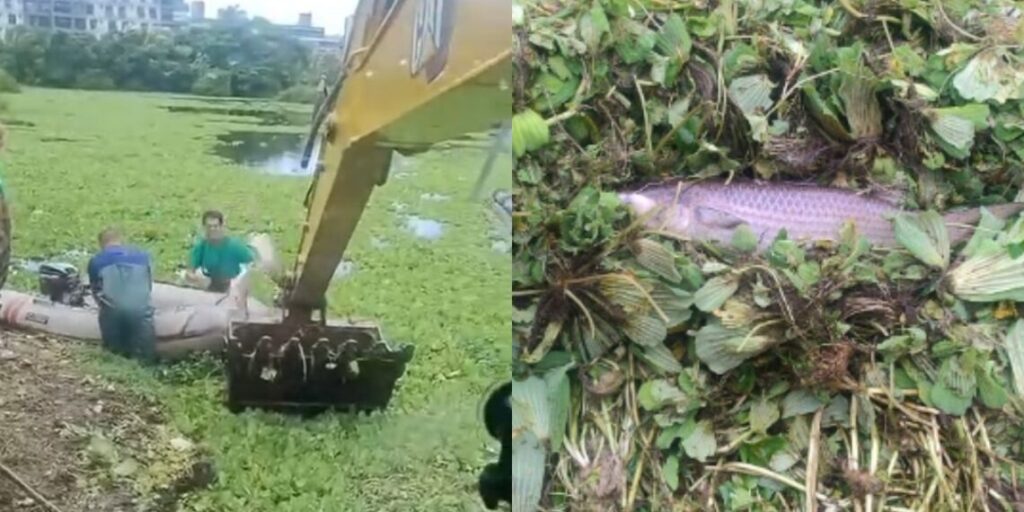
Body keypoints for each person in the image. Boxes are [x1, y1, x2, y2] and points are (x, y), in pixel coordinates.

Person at [87, 227, 156, 364]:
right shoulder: (143, 256)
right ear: (120, 240)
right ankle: (146, 363)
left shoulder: (96, 261)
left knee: (114, 350)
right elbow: (148, 285)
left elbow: (96, 290)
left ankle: (114, 358)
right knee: (145, 358)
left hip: (114, 314)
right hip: (142, 315)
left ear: (101, 244)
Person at [186, 209, 254, 293]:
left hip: (231, 285)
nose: (212, 229)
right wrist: (195, 278)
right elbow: (189, 272)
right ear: (204, 227)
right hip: (210, 284)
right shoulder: (201, 247)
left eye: (215, 226)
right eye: (209, 226)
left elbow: (252, 263)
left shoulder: (235, 245)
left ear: (221, 227)